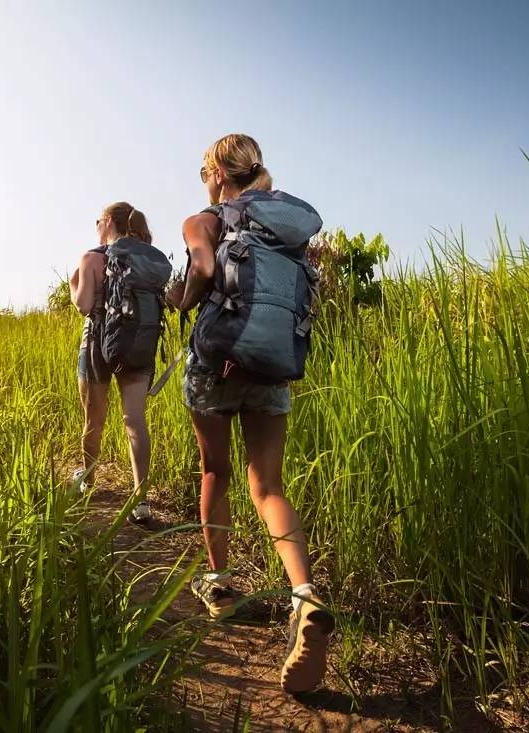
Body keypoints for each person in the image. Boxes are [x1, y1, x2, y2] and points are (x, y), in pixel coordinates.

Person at [165, 134, 335, 693]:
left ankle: (219, 586)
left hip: (216, 365)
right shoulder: (284, 226)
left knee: (216, 471)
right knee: (269, 487)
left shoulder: (206, 218)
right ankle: (305, 596)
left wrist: (179, 296)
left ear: (217, 171)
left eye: (204, 172)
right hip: (271, 366)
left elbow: (202, 272)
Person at [69, 202, 167, 524]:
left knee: (93, 419)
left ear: (108, 221)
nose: (96, 225)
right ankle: (141, 501)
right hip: (137, 341)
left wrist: (73, 286)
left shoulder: (92, 257)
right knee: (134, 420)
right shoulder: (142, 258)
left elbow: (84, 305)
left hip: (97, 342)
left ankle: (89, 480)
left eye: (98, 220)